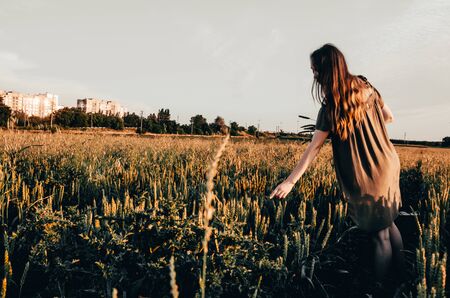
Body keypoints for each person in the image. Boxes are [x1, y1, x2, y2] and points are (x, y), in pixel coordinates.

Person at [269, 43, 406, 285]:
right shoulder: (367, 86)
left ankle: (382, 288)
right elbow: (389, 117)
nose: (313, 75)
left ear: (325, 72)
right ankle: (404, 276)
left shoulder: (331, 107)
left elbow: (314, 148)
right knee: (389, 223)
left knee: (379, 236)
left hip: (367, 174)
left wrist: (290, 181)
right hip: (388, 162)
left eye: (314, 70)